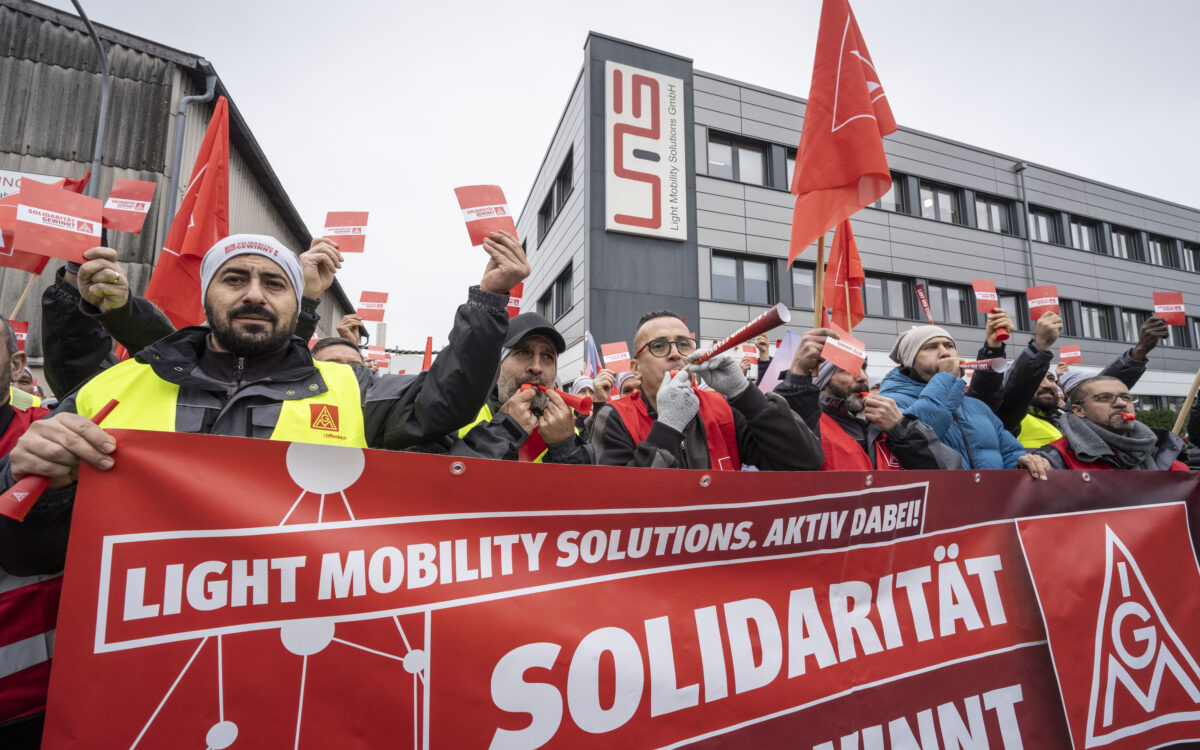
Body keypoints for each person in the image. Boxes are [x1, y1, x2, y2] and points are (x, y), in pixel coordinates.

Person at [0, 230, 528, 575]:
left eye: (274, 283)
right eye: (235, 279)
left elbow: (445, 399)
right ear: (207, 298)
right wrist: (32, 481)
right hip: (131, 670)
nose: (254, 294)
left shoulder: (349, 389)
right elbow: (21, 551)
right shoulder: (113, 388)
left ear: (296, 305)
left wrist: (488, 299)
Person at [590, 310, 821, 470]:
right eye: (658, 346)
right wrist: (667, 428)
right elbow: (623, 501)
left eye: (683, 344)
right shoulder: (615, 416)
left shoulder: (722, 409)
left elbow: (804, 460)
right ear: (636, 368)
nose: (675, 354)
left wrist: (744, 393)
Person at [773, 328, 961, 470]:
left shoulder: (883, 422)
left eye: (863, 368)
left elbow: (947, 468)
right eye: (846, 370)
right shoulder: (811, 424)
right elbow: (782, 447)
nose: (863, 377)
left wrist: (901, 427)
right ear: (822, 380)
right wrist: (797, 375)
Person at [879, 325, 1049, 477]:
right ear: (909, 360)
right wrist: (946, 377)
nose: (945, 352)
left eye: (949, 345)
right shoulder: (891, 402)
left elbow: (1010, 452)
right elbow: (918, 439)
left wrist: (1023, 462)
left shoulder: (977, 406)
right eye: (930, 347)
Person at [457, 312, 591, 463]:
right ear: (498, 365)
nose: (536, 367)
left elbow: (587, 478)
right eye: (523, 352)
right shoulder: (460, 417)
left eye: (547, 356)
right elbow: (450, 474)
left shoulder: (569, 430)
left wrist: (565, 447)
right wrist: (506, 429)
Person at [1035, 376, 1186, 470]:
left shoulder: (1161, 451)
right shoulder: (1055, 458)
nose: (1121, 403)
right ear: (1079, 410)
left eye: (1126, 397)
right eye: (1104, 398)